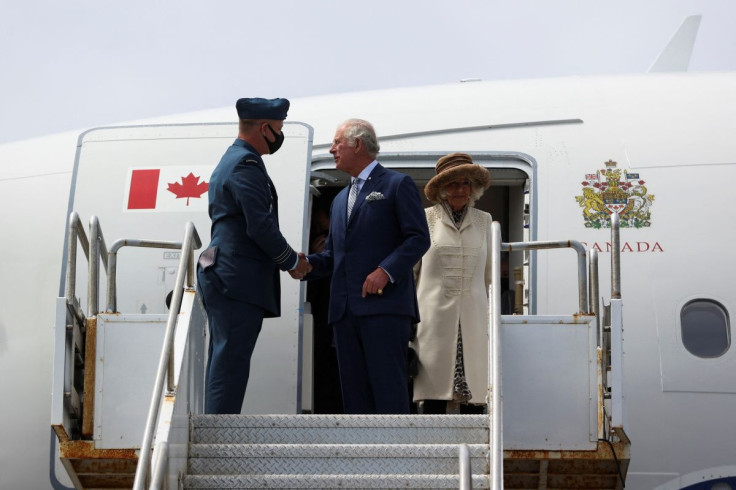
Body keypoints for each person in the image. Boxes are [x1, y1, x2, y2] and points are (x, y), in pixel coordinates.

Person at [305, 119, 430, 414]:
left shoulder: (397, 184)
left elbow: (418, 238)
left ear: (357, 144)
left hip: (384, 308)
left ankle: (396, 455)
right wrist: (306, 264)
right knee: (353, 391)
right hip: (345, 311)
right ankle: (360, 456)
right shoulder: (338, 200)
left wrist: (385, 271)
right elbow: (335, 257)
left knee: (388, 386)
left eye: (337, 142)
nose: (333, 149)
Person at [197, 97, 311, 414]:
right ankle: (217, 438)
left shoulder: (234, 160)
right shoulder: (245, 163)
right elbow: (259, 225)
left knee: (226, 358)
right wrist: (291, 262)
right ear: (265, 128)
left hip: (228, 273)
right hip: (236, 275)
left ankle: (215, 428)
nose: (280, 134)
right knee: (231, 360)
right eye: (279, 128)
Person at [412, 152, 492, 414]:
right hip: (431, 320)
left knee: (475, 395)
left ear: (474, 188)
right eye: (453, 183)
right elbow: (411, 273)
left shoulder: (485, 221)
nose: (460, 189)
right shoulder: (425, 218)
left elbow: (489, 276)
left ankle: (475, 451)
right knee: (432, 393)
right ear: (442, 189)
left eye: (465, 183)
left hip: (474, 320)